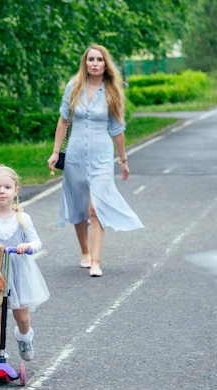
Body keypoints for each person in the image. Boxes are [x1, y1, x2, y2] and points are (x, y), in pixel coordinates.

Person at [47, 45, 144, 278]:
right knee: (78, 207)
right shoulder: (73, 87)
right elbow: (63, 122)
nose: (95, 63)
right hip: (75, 157)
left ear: (105, 64)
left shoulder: (112, 91)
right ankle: (85, 252)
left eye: (99, 59)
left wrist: (123, 160)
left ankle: (96, 262)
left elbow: (118, 130)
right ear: (85, 62)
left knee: (95, 207)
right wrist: (55, 152)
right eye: (91, 59)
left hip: (101, 158)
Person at [0, 164, 50, 363]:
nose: (2, 191)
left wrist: (28, 247)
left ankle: (24, 336)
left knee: (21, 316)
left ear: (16, 190)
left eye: (7, 187)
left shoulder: (23, 218)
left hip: (18, 271)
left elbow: (36, 241)